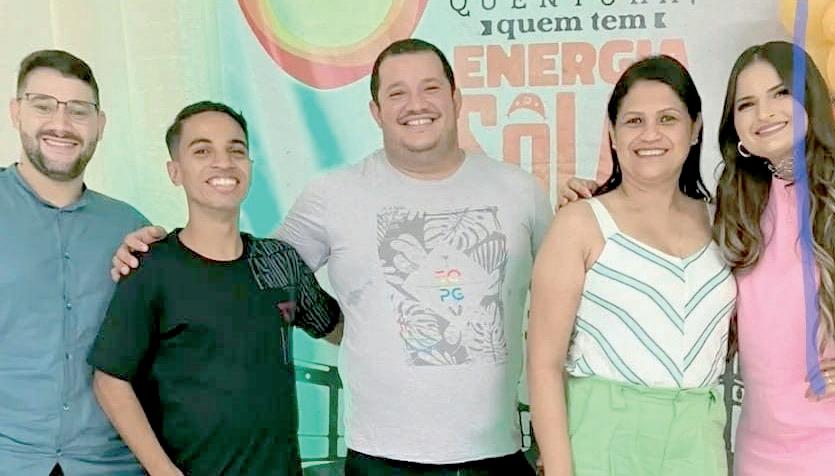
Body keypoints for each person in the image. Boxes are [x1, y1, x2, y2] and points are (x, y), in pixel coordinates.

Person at [112, 38, 551, 475]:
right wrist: (154, 247)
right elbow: (248, 273)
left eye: (430, 88)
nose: (415, 104)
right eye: (397, 92)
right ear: (375, 111)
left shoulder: (521, 191)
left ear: (455, 98)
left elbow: (570, 310)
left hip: (499, 454)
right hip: (381, 460)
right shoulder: (333, 194)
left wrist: (584, 208)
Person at [88, 101, 342, 476]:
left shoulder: (279, 262)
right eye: (202, 151)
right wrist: (163, 472)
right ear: (175, 171)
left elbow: (338, 328)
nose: (223, 163)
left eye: (236, 150)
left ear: (249, 166)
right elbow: (110, 379)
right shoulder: (152, 267)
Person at [528, 55, 735, 476]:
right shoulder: (579, 223)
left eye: (667, 119)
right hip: (600, 443)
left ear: (695, 128)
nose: (650, 134)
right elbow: (543, 364)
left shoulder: (724, 222)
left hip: (698, 445)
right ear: (612, 132)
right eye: (634, 121)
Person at [714, 41, 835, 476]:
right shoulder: (735, 203)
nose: (763, 114)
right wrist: (593, 200)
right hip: (760, 451)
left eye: (781, 93)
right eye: (746, 104)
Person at [0, 50, 145, 476]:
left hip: (111, 466)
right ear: (16, 112)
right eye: (43, 105)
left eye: (79, 110)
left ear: (100, 124)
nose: (61, 124)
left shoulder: (131, 228)